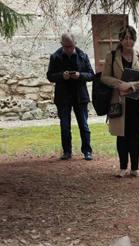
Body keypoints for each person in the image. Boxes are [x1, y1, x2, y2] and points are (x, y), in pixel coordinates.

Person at [101, 26, 139, 178]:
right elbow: (104, 77)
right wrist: (119, 84)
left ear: (134, 39)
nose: (128, 41)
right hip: (119, 101)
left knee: (135, 135)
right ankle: (123, 167)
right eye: (125, 38)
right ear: (121, 40)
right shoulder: (112, 55)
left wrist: (132, 86)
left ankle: (135, 168)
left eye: (131, 38)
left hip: (136, 102)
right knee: (121, 135)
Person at [46, 32, 95, 161]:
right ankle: (67, 151)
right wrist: (62, 76)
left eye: (71, 46)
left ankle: (87, 151)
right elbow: (50, 76)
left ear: (75, 44)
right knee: (65, 125)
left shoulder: (82, 56)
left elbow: (91, 75)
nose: (69, 49)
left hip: (80, 96)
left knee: (84, 125)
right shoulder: (55, 57)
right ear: (62, 45)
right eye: (66, 46)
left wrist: (80, 75)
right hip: (63, 96)